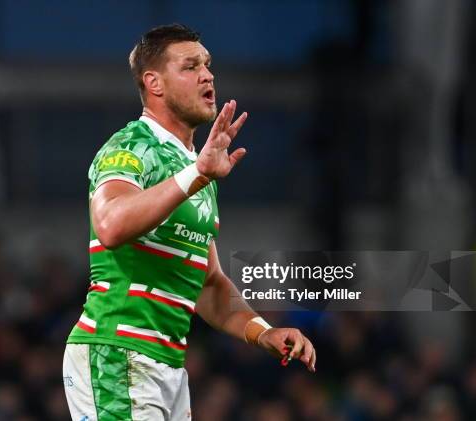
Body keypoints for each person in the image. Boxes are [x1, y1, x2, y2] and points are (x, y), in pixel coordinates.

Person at [63, 23, 316, 421]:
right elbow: (110, 224)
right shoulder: (131, 148)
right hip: (117, 354)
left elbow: (208, 285)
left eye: (208, 64)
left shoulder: (196, 169)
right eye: (190, 66)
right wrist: (196, 175)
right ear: (155, 83)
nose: (207, 74)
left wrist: (262, 332)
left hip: (166, 367)